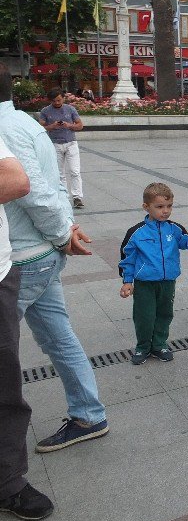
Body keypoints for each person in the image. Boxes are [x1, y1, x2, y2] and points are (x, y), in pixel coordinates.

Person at [0, 64, 106, 453]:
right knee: (60, 339)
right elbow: (55, 183)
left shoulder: (5, 129)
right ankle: (89, 414)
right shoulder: (24, 123)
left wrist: (64, 234)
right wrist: (66, 229)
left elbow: (34, 192)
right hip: (39, 252)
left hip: (24, 258)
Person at [0, 136, 54, 521]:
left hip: (1, 271)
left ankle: (8, 482)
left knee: (5, 386)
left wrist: (63, 230)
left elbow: (18, 180)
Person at [119, 183, 188, 364]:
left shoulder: (174, 228)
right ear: (146, 207)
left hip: (168, 282)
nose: (165, 211)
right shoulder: (136, 232)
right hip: (144, 283)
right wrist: (127, 281)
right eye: (159, 207)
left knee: (165, 314)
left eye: (169, 206)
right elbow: (127, 258)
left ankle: (159, 345)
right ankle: (143, 347)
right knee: (144, 315)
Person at [38, 89, 85, 209]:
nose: (57, 102)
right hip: (55, 144)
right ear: (50, 101)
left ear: (63, 98)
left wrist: (69, 125)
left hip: (71, 143)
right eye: (54, 101)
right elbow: (40, 128)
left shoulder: (70, 109)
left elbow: (80, 125)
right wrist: (52, 126)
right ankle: (63, 196)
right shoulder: (45, 111)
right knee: (60, 173)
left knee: (75, 171)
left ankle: (77, 197)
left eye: (59, 100)